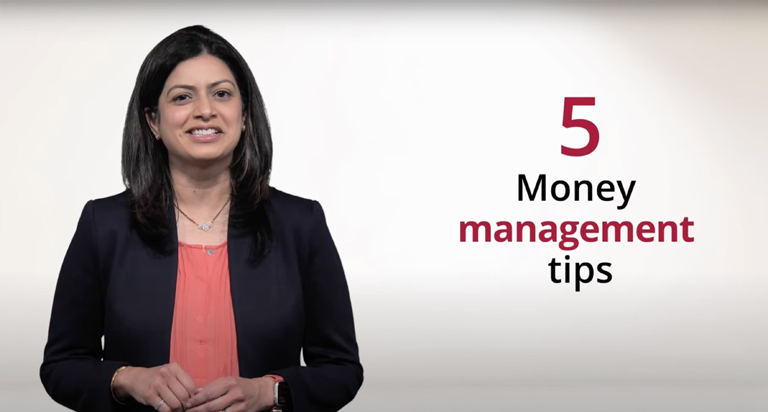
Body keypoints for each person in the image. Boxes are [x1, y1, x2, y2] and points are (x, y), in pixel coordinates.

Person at [40, 25, 363, 412]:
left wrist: (271, 390)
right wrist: (127, 378)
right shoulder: (103, 224)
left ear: (244, 115)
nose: (205, 110)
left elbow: (342, 369)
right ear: (153, 121)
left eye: (222, 94)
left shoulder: (301, 224)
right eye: (182, 97)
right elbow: (61, 366)